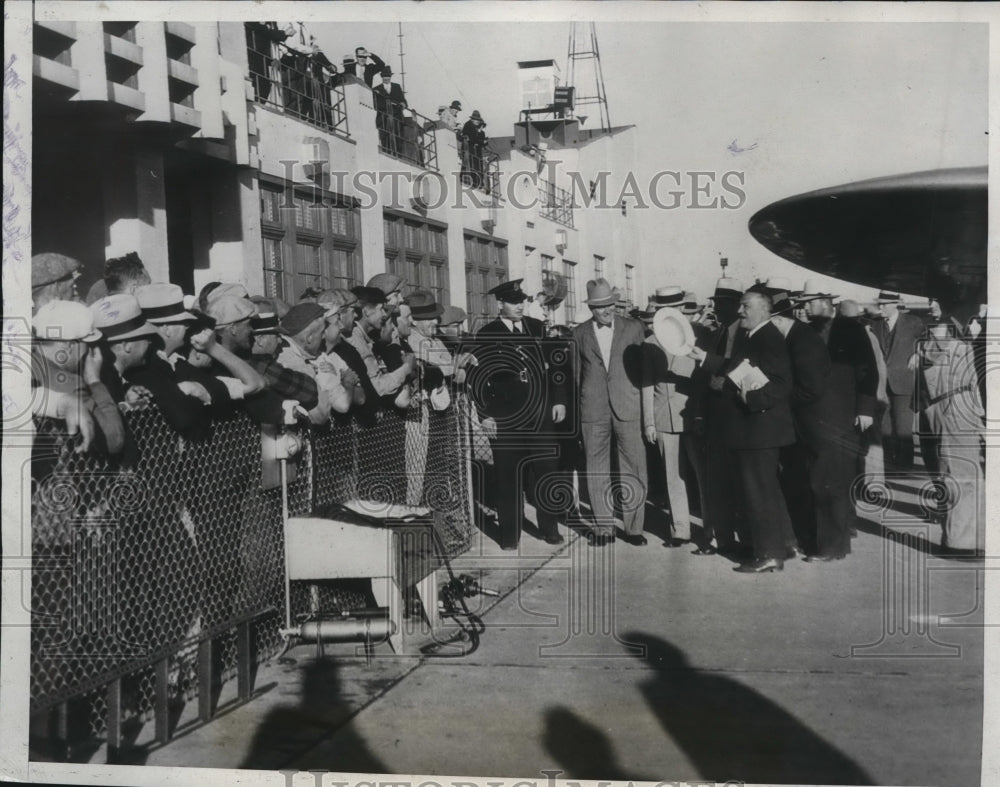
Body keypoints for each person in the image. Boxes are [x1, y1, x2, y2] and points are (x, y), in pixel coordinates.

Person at [689, 284, 796, 573]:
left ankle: (769, 554)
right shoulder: (755, 335)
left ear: (764, 308)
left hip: (759, 430)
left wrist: (752, 398)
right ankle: (780, 546)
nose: (740, 311)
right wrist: (704, 358)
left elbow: (783, 383)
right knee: (764, 492)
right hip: (755, 430)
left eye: (746, 306)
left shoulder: (768, 338)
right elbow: (736, 367)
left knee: (759, 493)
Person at [465, 279, 567, 549]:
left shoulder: (536, 327)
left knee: (546, 473)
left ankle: (550, 529)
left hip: (540, 416)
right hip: (506, 420)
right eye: (513, 302)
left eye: (522, 301)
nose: (520, 306)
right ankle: (510, 535)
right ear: (500, 304)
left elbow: (554, 366)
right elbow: (478, 378)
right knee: (508, 477)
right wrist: (484, 415)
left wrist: (558, 400)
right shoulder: (488, 334)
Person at [799, 280, 878, 555]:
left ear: (825, 302)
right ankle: (835, 537)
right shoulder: (808, 331)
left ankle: (832, 546)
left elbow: (868, 370)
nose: (805, 308)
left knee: (832, 479)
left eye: (809, 302)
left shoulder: (851, 329)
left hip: (845, 415)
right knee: (826, 479)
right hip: (815, 418)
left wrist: (865, 409)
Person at [572, 278, 648, 547]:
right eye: (600, 306)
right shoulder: (579, 333)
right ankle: (604, 528)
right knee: (596, 468)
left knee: (634, 466)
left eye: (610, 304)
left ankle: (634, 528)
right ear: (591, 308)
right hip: (593, 409)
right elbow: (576, 375)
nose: (607, 310)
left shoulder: (633, 328)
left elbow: (642, 370)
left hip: (627, 405)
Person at [91, 294, 213, 441]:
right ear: (126, 345)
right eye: (144, 336)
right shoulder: (106, 384)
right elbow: (185, 419)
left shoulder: (116, 379)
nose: (150, 342)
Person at [641, 286, 706, 549]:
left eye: (678, 307)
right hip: (663, 417)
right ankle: (680, 531)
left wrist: (703, 415)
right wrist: (649, 421)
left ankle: (713, 532)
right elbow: (646, 384)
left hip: (693, 416)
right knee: (672, 476)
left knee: (702, 476)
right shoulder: (649, 343)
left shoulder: (699, 339)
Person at [915, 320, 984, 554]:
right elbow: (930, 358)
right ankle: (960, 542)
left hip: (959, 407)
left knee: (962, 474)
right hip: (951, 407)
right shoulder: (935, 341)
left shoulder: (958, 339)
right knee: (956, 473)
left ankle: (964, 541)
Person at [691, 276, 747, 557]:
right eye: (717, 303)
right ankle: (720, 539)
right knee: (716, 483)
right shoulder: (717, 334)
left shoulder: (747, 335)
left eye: (724, 303)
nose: (718, 309)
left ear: (738, 305)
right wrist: (701, 415)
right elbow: (704, 379)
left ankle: (746, 541)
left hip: (739, 418)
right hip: (715, 420)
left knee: (741, 484)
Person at [32, 300, 126, 457]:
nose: (91, 350)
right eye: (88, 343)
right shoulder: (69, 382)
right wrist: (95, 382)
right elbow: (114, 441)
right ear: (68, 345)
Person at [871, 290, 925, 470]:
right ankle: (888, 467)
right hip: (881, 384)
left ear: (895, 305)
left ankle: (904, 466)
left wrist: (919, 353)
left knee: (902, 428)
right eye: (879, 304)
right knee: (884, 429)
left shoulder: (913, 322)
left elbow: (928, 341)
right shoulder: (874, 324)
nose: (880, 308)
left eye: (884, 304)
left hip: (904, 383)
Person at [276, 302, 353, 423]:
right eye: (322, 332)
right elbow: (321, 416)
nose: (323, 337)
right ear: (309, 338)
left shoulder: (296, 353)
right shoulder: (294, 362)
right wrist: (332, 377)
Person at [245, 22, 289, 103]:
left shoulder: (270, 23)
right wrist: (284, 33)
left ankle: (258, 103)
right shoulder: (253, 22)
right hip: (254, 56)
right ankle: (255, 103)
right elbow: (263, 30)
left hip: (263, 58)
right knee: (259, 84)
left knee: (265, 85)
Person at [373, 66, 407, 156]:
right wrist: (390, 104)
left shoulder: (396, 87)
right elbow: (376, 104)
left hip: (396, 117)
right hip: (383, 118)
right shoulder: (376, 89)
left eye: (388, 76)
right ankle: (386, 154)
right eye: (384, 76)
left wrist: (403, 103)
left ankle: (399, 156)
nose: (386, 78)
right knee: (385, 137)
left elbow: (403, 101)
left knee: (398, 137)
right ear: (382, 77)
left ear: (390, 76)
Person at [460, 110, 489, 189]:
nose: (478, 123)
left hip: (473, 150)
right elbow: (472, 138)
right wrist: (480, 141)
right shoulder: (469, 125)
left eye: (479, 121)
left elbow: (475, 139)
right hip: (468, 149)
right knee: (470, 165)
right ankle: (471, 182)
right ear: (473, 119)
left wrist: (479, 141)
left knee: (474, 166)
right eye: (477, 121)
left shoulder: (473, 127)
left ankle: (476, 183)